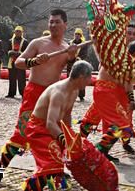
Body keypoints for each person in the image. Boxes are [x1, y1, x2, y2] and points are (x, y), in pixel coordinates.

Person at [0, 9, 78, 184]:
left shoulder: (66, 48)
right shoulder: (38, 43)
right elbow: (18, 62)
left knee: (55, 134)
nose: (53, 25)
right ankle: (0, 168)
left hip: (53, 96)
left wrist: (72, 57)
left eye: (57, 22)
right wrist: (34, 61)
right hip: (34, 94)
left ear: (65, 25)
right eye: (51, 22)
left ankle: (54, 169)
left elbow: (71, 75)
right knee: (22, 134)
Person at [21, 60, 93, 190]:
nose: (90, 81)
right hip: (39, 130)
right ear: (81, 77)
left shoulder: (74, 91)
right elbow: (50, 123)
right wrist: (65, 140)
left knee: (59, 163)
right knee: (52, 165)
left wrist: (70, 134)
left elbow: (66, 116)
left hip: (55, 128)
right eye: (89, 77)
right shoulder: (58, 92)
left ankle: (54, 175)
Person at [79, 24, 135, 161]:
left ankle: (80, 146)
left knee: (96, 117)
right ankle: (97, 151)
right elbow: (100, 51)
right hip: (105, 89)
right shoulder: (114, 49)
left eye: (133, 34)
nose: (130, 36)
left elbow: (128, 80)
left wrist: (131, 98)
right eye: (128, 33)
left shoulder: (131, 56)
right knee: (121, 123)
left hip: (114, 91)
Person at [6, 26, 29, 98]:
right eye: (17, 31)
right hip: (12, 61)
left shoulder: (25, 42)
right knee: (12, 78)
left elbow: (27, 52)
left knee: (21, 78)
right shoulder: (10, 41)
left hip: (21, 62)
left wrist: (18, 53)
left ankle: (23, 93)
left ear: (22, 33)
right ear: (14, 32)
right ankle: (11, 93)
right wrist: (11, 53)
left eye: (19, 31)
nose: (18, 33)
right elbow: (8, 50)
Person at [67, 28, 89, 101]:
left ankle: (81, 96)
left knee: (81, 79)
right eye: (76, 34)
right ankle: (69, 94)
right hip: (71, 64)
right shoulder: (70, 43)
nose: (77, 36)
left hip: (80, 64)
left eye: (78, 34)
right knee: (70, 79)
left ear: (81, 35)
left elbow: (85, 54)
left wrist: (78, 59)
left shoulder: (84, 44)